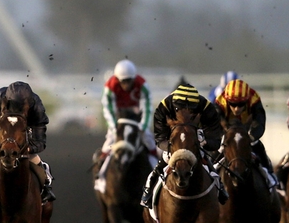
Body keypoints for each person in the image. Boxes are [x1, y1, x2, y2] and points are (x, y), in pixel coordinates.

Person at [140, 83, 227, 209]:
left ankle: (220, 186)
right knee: (165, 158)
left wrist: (205, 142)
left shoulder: (207, 108)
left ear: (196, 106)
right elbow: (159, 138)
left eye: (191, 110)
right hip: (173, 140)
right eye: (181, 109)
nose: (186, 112)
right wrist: (173, 147)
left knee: (204, 159)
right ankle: (148, 189)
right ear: (175, 106)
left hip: (196, 140)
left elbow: (215, 140)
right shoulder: (164, 107)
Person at [95, 59, 157, 189]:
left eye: (129, 81)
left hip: (136, 119)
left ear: (134, 78)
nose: (126, 85)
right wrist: (114, 128)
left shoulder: (142, 85)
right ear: (118, 79)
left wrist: (143, 126)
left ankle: (157, 172)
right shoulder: (110, 87)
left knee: (149, 141)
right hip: (119, 120)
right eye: (123, 81)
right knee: (109, 144)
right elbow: (108, 110)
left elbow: (147, 108)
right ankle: (101, 177)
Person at [213, 79, 275, 175]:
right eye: (233, 104)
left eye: (241, 104)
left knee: (257, 146)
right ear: (227, 100)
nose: (236, 109)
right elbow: (214, 125)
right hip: (227, 132)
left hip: (246, 132)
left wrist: (251, 137)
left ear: (247, 100)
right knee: (215, 151)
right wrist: (224, 136)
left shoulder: (254, 99)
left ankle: (270, 176)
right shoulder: (220, 101)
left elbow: (259, 122)